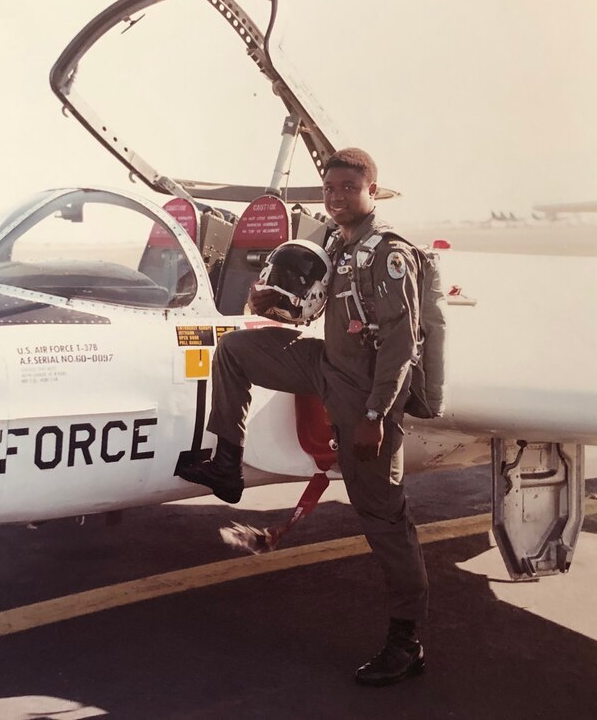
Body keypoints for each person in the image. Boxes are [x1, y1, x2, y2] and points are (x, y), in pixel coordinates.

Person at [178, 147, 429, 687]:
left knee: (384, 521)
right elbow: (315, 308)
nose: (337, 197)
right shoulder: (338, 244)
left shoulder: (388, 254)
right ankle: (227, 463)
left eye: (348, 188)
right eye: (330, 188)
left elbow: (403, 347)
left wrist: (374, 415)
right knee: (235, 350)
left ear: (372, 191)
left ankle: (406, 641)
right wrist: (277, 307)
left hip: (366, 390)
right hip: (328, 364)